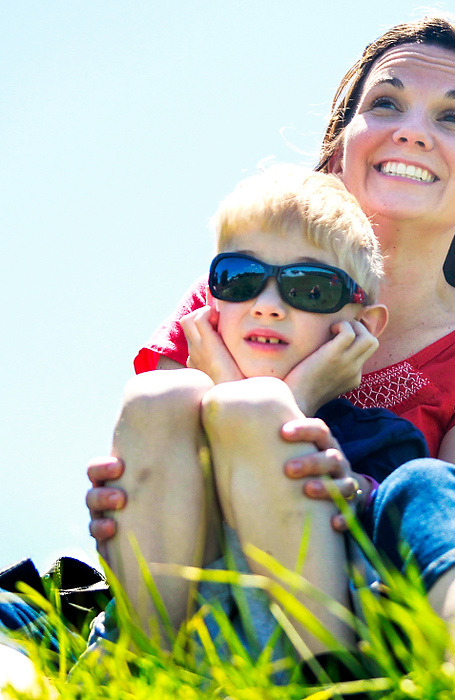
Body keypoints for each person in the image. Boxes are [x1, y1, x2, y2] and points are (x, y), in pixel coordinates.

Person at [85, 16, 455, 693]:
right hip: (191, 614)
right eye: (385, 103)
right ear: (337, 150)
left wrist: (293, 398)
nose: (412, 129)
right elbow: (157, 463)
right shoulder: (230, 288)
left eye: (454, 118)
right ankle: (138, 673)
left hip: (359, 632)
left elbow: (442, 534)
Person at [102, 165, 430, 661]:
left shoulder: (383, 438)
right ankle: (145, 668)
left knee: (251, 408)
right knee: (157, 396)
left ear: (362, 326)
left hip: (310, 641)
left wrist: (281, 408)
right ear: (212, 300)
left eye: (310, 288)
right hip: (183, 640)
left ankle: (328, 679)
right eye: (241, 279)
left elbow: (396, 534)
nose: (269, 305)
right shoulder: (169, 421)